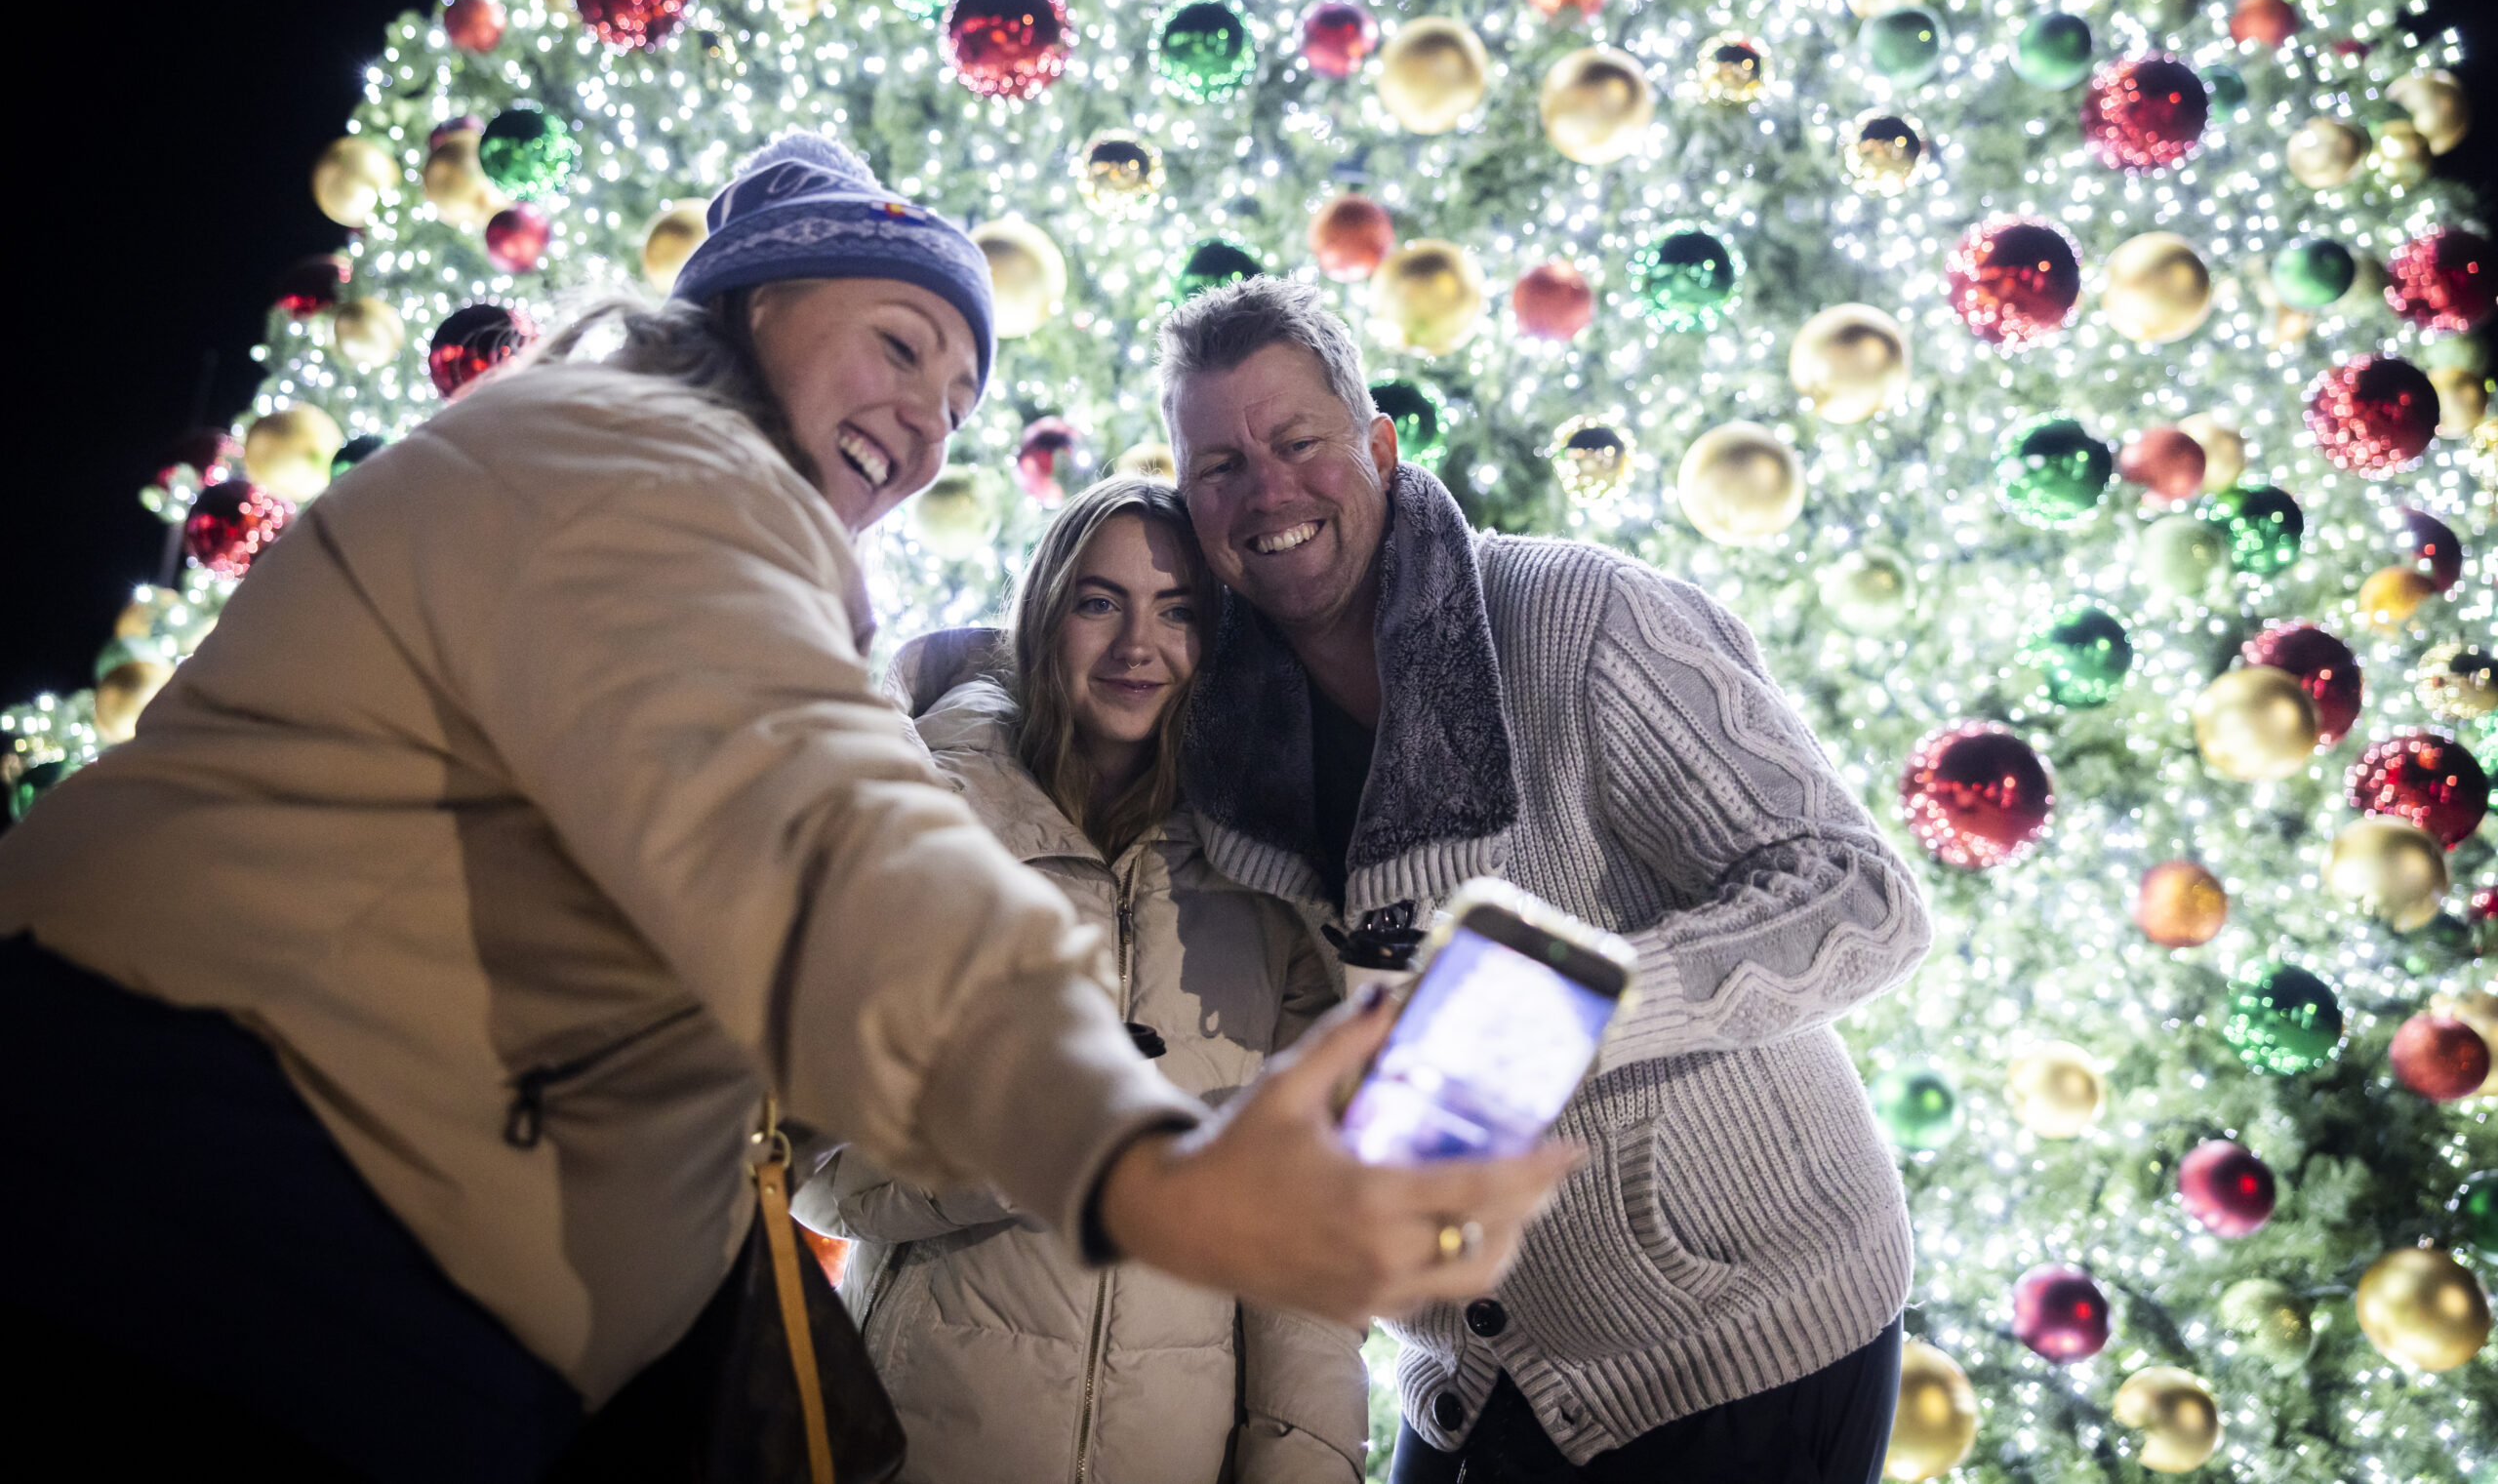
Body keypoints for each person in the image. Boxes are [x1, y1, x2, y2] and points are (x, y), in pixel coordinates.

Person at [0, 136, 1573, 1483]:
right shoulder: (628, 459)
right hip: (216, 1216)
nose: (927, 415)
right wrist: (1144, 1164)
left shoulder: (799, 609)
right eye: (899, 343)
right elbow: (840, 846)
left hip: (399, 1308)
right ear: (757, 300)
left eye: (959, 394)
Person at [1156, 277, 1935, 1484]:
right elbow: (1072, 667)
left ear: (1378, 445)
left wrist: (1565, 1003)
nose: (1266, 490)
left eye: (1298, 442)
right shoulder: (1219, 732)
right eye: (1219, 466)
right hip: (1467, 1367)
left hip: (1748, 1327)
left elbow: (1863, 899)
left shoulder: (1579, 616)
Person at [794, 476, 1368, 1483]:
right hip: (926, 1440)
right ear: (1045, 614)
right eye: (1100, 602)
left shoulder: (1265, 873)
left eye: (1178, 610)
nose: (1136, 645)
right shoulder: (922, 819)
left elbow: (1300, 1239)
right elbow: (822, 1167)